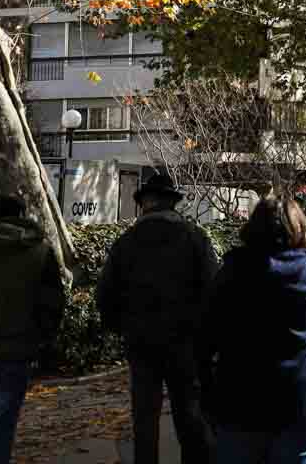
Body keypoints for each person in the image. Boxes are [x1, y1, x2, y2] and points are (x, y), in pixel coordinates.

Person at [197, 196, 306, 463]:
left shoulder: (230, 272)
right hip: (301, 396)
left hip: (239, 398)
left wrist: (207, 387)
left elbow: (205, 337)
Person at [96, 172, 218, 464]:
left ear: (144, 204)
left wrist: (121, 327)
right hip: (185, 342)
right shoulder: (194, 237)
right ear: (172, 204)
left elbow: (105, 294)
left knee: (145, 417)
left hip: (141, 342)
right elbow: (213, 289)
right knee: (189, 415)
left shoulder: (126, 242)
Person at [0, 195, 66, 464]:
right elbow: (52, 306)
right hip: (15, 352)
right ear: (23, 214)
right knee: (3, 423)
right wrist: (42, 341)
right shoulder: (40, 252)